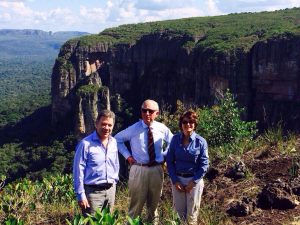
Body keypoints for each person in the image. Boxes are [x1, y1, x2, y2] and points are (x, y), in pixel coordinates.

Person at [114, 99, 173, 224]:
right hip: (138, 169)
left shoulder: (162, 128)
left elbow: (173, 141)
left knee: (154, 206)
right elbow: (117, 139)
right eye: (144, 110)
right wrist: (128, 156)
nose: (147, 113)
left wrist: (164, 155)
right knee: (135, 207)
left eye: (150, 111)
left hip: (157, 170)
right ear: (141, 112)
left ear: (157, 113)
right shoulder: (134, 129)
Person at [73, 110, 119, 216]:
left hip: (111, 190)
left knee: (108, 222)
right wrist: (81, 195)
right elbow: (78, 170)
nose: (106, 128)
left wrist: (115, 181)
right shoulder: (85, 144)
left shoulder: (114, 142)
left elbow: (115, 163)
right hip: (92, 193)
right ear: (96, 124)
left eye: (109, 125)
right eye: (103, 124)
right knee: (92, 222)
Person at [166, 110, 209, 225]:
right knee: (178, 216)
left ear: (195, 124)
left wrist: (193, 182)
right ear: (181, 124)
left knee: (192, 216)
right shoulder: (175, 140)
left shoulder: (201, 142)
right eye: (185, 122)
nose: (188, 124)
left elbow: (204, 165)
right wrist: (175, 181)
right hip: (177, 181)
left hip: (194, 181)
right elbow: (169, 161)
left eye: (191, 122)